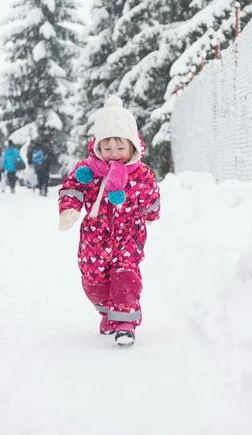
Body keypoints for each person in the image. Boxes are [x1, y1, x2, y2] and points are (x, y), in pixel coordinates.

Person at [58, 95, 160, 347]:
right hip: (95, 236)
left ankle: (125, 322)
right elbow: (72, 188)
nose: (114, 154)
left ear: (133, 145)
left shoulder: (141, 173)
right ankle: (108, 313)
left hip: (129, 234)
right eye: (107, 148)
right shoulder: (88, 170)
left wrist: (150, 212)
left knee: (125, 275)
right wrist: (69, 209)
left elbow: (151, 197)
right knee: (94, 281)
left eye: (120, 148)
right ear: (97, 147)